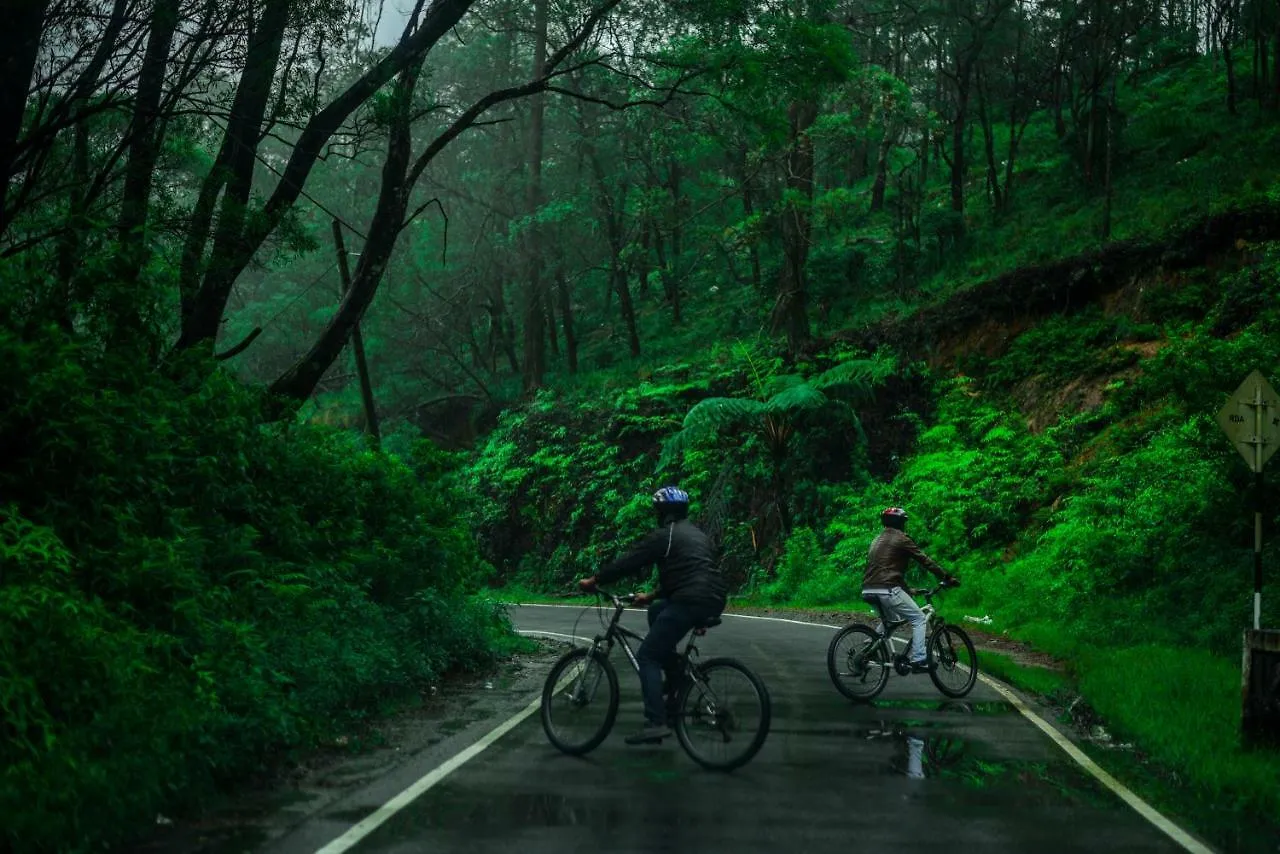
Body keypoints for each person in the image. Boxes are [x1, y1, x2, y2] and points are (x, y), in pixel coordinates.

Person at [578, 486, 727, 745]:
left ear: (662, 513)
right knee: (657, 611)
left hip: (690, 600)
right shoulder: (697, 535)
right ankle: (675, 671)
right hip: (712, 598)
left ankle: (655, 722)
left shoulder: (665, 536)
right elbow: (690, 574)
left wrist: (596, 579)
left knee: (647, 656)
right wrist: (651, 597)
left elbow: (631, 561)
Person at [862, 507, 959, 672]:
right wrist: (946, 577)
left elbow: (887, 570)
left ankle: (870, 648)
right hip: (888, 589)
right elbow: (925, 560)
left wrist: (907, 590)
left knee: (891, 621)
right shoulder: (901, 538)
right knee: (919, 619)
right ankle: (919, 658)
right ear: (900, 523)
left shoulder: (877, 540)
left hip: (868, 589)